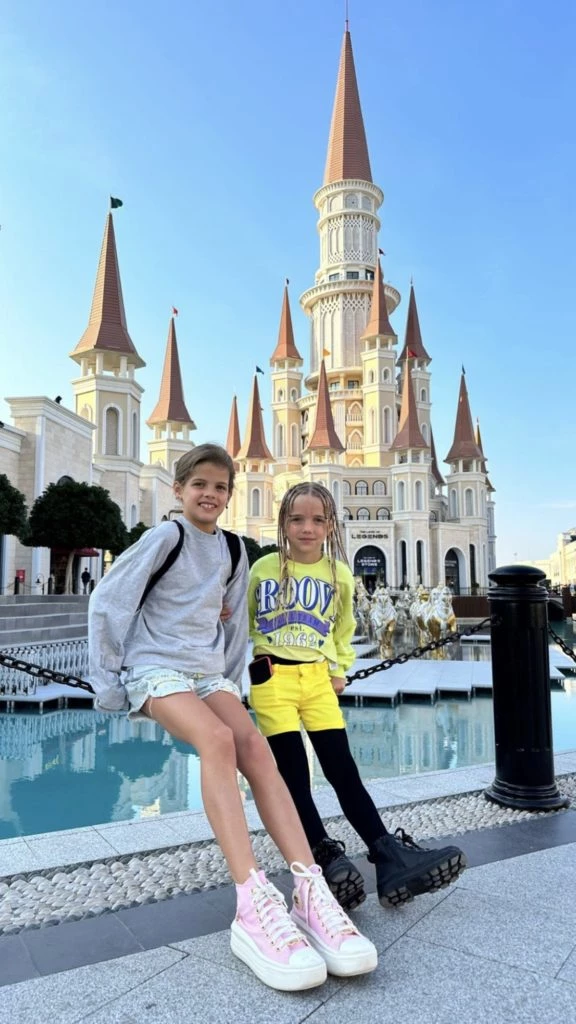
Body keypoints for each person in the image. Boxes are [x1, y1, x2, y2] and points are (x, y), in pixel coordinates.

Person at [88, 444, 376, 992]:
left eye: (220, 487)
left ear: (230, 495)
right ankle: (250, 898)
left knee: (255, 748)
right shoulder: (163, 538)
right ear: (179, 490)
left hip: (204, 673)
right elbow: (109, 600)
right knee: (218, 740)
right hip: (156, 668)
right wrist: (108, 685)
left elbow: (234, 623)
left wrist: (227, 679)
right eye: (199, 484)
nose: (210, 495)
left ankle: (308, 886)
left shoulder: (234, 551)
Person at [248, 482, 467, 912]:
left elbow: (344, 627)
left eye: (317, 520)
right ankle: (325, 857)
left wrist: (337, 669)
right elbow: (245, 618)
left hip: (317, 682)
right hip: (273, 681)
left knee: (343, 770)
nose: (306, 528)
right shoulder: (265, 568)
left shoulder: (339, 573)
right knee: (293, 775)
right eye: (297, 519)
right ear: (283, 524)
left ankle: (387, 856)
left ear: (331, 525)